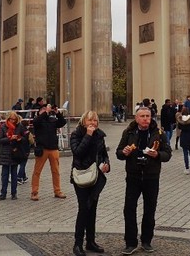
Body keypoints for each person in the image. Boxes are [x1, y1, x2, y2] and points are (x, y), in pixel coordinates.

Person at [116, 106, 171, 255]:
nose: (146, 118)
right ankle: (130, 242)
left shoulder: (158, 133)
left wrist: (157, 155)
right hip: (133, 176)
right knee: (129, 209)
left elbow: (167, 154)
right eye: (143, 116)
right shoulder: (128, 132)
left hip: (151, 176)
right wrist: (124, 152)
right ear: (136, 118)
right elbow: (118, 153)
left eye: (148, 116)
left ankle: (146, 241)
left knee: (149, 210)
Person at [70, 110, 110, 256]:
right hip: (81, 177)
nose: (92, 123)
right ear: (83, 121)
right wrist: (88, 135)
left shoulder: (100, 135)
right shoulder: (76, 134)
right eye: (90, 120)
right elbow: (78, 152)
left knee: (92, 209)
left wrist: (106, 165)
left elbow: (104, 154)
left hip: (96, 177)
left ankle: (91, 241)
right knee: (83, 209)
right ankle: (77, 243)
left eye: (95, 121)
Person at [31, 104, 67, 201]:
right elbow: (36, 122)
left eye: (46, 109)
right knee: (37, 172)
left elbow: (62, 122)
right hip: (42, 149)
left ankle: (57, 191)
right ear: (39, 112)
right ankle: (34, 192)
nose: (46, 111)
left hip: (53, 149)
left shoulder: (52, 120)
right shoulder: (38, 120)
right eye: (43, 109)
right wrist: (45, 113)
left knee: (56, 171)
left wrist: (57, 113)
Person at [0, 111, 22, 200]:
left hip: (15, 152)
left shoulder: (19, 126)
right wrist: (9, 138)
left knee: (14, 175)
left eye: (15, 119)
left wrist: (19, 138)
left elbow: (23, 137)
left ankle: (14, 193)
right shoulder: (3, 127)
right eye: (12, 119)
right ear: (8, 119)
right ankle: (3, 193)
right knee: (5, 175)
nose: (13, 121)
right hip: (5, 152)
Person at [177, 107, 190, 174]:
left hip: (184, 136)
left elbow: (179, 127)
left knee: (185, 153)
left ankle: (187, 168)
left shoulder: (180, 119)